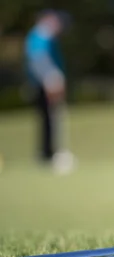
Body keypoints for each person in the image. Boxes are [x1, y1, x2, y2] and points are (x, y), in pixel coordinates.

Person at [25, 9, 75, 174]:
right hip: (45, 83)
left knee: (50, 119)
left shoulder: (46, 37)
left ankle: (49, 153)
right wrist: (51, 78)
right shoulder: (40, 35)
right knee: (49, 119)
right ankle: (48, 154)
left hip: (49, 82)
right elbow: (39, 59)